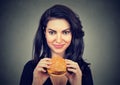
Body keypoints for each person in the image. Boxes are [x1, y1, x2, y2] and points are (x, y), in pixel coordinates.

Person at [20, 4, 93, 85]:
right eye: (52, 32)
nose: (58, 40)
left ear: (73, 34)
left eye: (65, 32)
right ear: (45, 33)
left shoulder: (83, 70)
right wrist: (37, 83)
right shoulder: (31, 69)